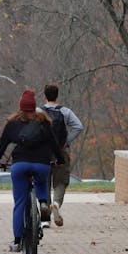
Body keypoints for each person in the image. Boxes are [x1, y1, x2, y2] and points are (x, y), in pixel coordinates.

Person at [0, 89, 63, 252]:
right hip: (42, 164)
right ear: (34, 106)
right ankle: (43, 203)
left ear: (21, 106)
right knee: (41, 182)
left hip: (20, 165)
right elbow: (54, 144)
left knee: (20, 203)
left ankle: (17, 241)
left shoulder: (12, 123)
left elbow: (2, 146)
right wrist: (60, 160)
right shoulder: (43, 122)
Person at [41, 84, 84, 227]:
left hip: (43, 152)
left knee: (43, 182)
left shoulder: (38, 111)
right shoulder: (65, 111)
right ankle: (56, 204)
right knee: (60, 182)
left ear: (45, 96)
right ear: (57, 96)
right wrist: (66, 141)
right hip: (60, 151)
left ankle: (45, 220)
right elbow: (78, 126)